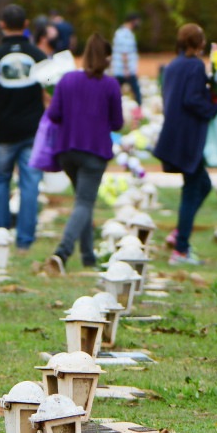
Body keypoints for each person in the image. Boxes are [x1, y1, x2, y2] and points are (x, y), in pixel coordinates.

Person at [44, 34, 125, 274]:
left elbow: (53, 115)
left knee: (83, 200)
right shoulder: (110, 85)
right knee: (84, 201)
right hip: (94, 150)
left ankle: (88, 256)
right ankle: (62, 252)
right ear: (107, 58)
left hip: (67, 150)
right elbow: (118, 123)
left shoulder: (67, 80)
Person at [0, 4, 47, 252]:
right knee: (30, 185)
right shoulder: (38, 56)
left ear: (1, 24)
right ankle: (25, 240)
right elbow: (50, 96)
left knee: (0, 181)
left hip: (4, 131)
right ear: (26, 25)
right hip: (33, 131)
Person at [152, 23, 217, 265]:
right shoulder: (195, 66)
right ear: (199, 43)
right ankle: (181, 249)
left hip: (172, 135)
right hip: (187, 138)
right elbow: (192, 99)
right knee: (193, 188)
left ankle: (179, 234)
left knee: (202, 184)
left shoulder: (173, 65)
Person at [112, 12, 142, 106]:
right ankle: (138, 111)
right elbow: (125, 52)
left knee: (116, 91)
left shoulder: (120, 32)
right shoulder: (125, 34)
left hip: (121, 69)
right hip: (124, 70)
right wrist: (126, 69)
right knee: (136, 92)